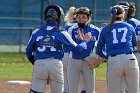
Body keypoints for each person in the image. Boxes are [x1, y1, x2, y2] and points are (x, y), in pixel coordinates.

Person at [26, 5, 92, 93]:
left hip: (39, 63)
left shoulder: (37, 31)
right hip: (55, 64)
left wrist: (35, 62)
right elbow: (77, 49)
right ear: (59, 18)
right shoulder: (61, 32)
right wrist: (84, 41)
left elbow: (28, 51)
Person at [96, 5, 139, 93]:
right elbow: (134, 43)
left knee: (113, 91)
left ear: (111, 16)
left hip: (114, 60)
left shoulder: (105, 28)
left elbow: (99, 49)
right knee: (134, 91)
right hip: (130, 59)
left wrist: (107, 57)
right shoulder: (129, 26)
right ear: (123, 15)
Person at [67, 7, 100, 93]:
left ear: (89, 18)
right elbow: (70, 46)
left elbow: (100, 45)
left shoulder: (96, 30)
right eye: (78, 17)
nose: (80, 20)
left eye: (83, 17)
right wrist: (81, 41)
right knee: (72, 89)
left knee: (90, 89)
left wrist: (98, 57)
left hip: (89, 61)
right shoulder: (72, 29)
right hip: (74, 61)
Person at [64, 7, 87, 93]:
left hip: (64, 56)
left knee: (67, 87)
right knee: (84, 85)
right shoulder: (80, 26)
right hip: (75, 56)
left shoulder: (67, 26)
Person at [118, 2, 140, 93]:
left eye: (122, 9)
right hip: (120, 55)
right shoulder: (115, 23)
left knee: (133, 84)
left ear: (127, 10)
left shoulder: (135, 22)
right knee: (120, 83)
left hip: (134, 54)